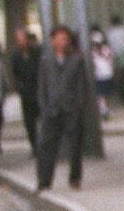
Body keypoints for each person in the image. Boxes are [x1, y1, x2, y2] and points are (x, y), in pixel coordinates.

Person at [36, 26, 93, 191]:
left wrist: (79, 106)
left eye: (65, 38)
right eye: (59, 38)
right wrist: (44, 106)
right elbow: (42, 86)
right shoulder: (46, 60)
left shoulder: (76, 60)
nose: (62, 41)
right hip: (51, 109)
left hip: (71, 109)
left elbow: (83, 86)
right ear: (52, 40)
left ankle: (75, 178)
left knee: (75, 145)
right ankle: (44, 180)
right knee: (47, 146)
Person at [11, 30, 42, 151]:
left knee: (43, 119)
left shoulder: (36, 52)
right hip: (26, 94)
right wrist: (20, 88)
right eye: (19, 40)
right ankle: (34, 146)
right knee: (29, 122)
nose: (21, 42)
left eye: (23, 39)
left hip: (38, 91)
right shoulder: (16, 56)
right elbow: (16, 73)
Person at [89, 29, 115, 120]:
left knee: (102, 95)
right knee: (102, 95)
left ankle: (104, 110)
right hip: (104, 74)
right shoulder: (104, 50)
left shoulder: (96, 51)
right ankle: (104, 110)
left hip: (102, 75)